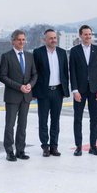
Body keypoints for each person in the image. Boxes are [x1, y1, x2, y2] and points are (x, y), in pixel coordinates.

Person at [0, 29, 37, 161]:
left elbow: (34, 74)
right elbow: (2, 76)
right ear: (13, 41)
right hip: (12, 96)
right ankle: (9, 151)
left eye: (23, 40)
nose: (21, 42)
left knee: (23, 125)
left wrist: (30, 85)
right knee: (10, 125)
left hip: (26, 96)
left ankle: (20, 150)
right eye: (19, 40)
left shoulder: (29, 56)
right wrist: (19, 86)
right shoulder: (6, 56)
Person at [32, 29, 69, 157]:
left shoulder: (62, 53)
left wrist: (65, 90)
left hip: (58, 91)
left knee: (55, 120)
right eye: (50, 38)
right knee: (43, 120)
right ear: (45, 40)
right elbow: (34, 73)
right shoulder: (38, 53)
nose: (53, 40)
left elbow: (65, 73)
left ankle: (54, 146)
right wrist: (34, 92)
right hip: (43, 92)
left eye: (55, 37)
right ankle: (45, 146)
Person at [69, 25, 97, 156]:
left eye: (90, 34)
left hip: (94, 90)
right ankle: (78, 146)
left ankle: (93, 146)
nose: (88, 36)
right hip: (80, 90)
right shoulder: (74, 51)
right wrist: (75, 90)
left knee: (94, 119)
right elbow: (72, 72)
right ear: (80, 35)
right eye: (85, 34)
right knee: (78, 119)